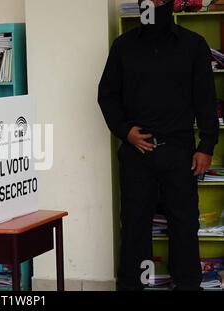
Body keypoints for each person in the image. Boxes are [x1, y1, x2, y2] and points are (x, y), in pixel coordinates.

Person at [98, 0, 219, 291]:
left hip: (180, 151)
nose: (153, 5)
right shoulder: (123, 46)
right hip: (136, 152)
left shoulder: (193, 45)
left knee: (184, 222)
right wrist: (125, 132)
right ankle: (133, 285)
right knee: (136, 225)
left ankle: (187, 284)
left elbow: (205, 100)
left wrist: (207, 145)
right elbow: (107, 96)